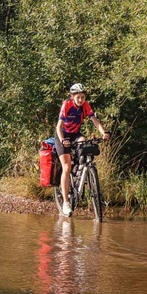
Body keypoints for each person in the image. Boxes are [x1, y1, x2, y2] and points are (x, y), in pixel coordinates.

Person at [55, 83, 109, 216]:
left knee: (84, 142)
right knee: (66, 167)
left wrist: (103, 133)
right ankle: (66, 202)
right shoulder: (66, 105)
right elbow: (59, 126)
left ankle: (81, 171)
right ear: (72, 96)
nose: (80, 100)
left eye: (83, 97)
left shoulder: (85, 105)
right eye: (78, 97)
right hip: (62, 135)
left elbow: (94, 120)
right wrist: (62, 139)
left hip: (75, 134)